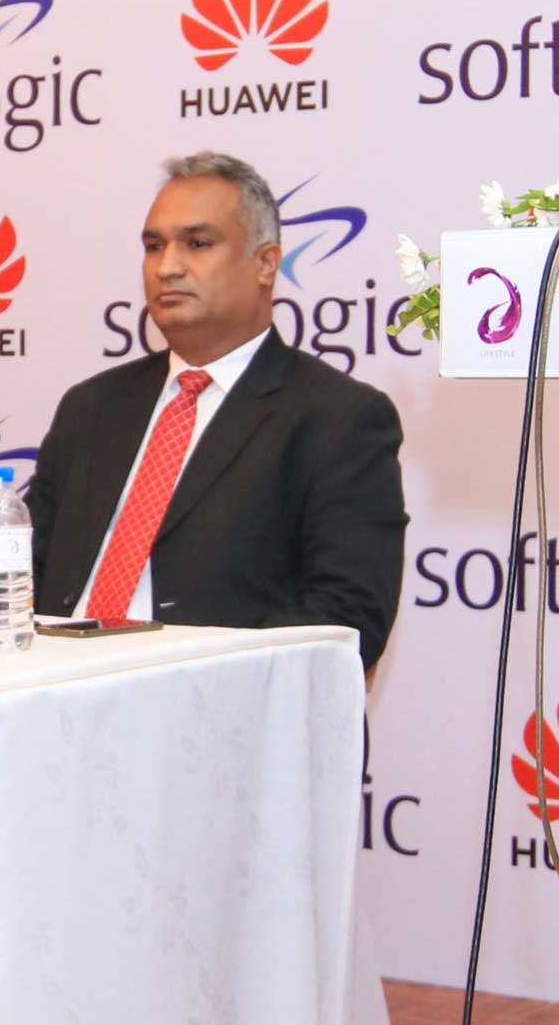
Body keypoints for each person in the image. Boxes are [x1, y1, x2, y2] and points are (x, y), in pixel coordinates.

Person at [27, 152, 407, 667]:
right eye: (154, 246)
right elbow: (23, 574)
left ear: (265, 264)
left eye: (198, 243)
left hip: (214, 700)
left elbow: (346, 617)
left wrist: (194, 677)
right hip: (52, 687)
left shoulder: (339, 418)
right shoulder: (91, 407)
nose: (167, 267)